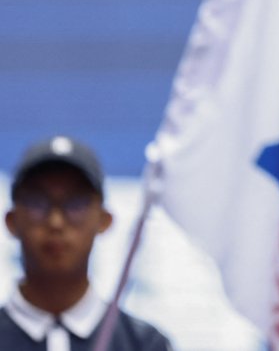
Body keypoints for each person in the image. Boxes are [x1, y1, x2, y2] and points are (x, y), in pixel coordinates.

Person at [3, 136, 172, 350]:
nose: (56, 222)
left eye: (76, 203)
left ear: (104, 220)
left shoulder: (145, 344)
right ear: (11, 220)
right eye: (38, 202)